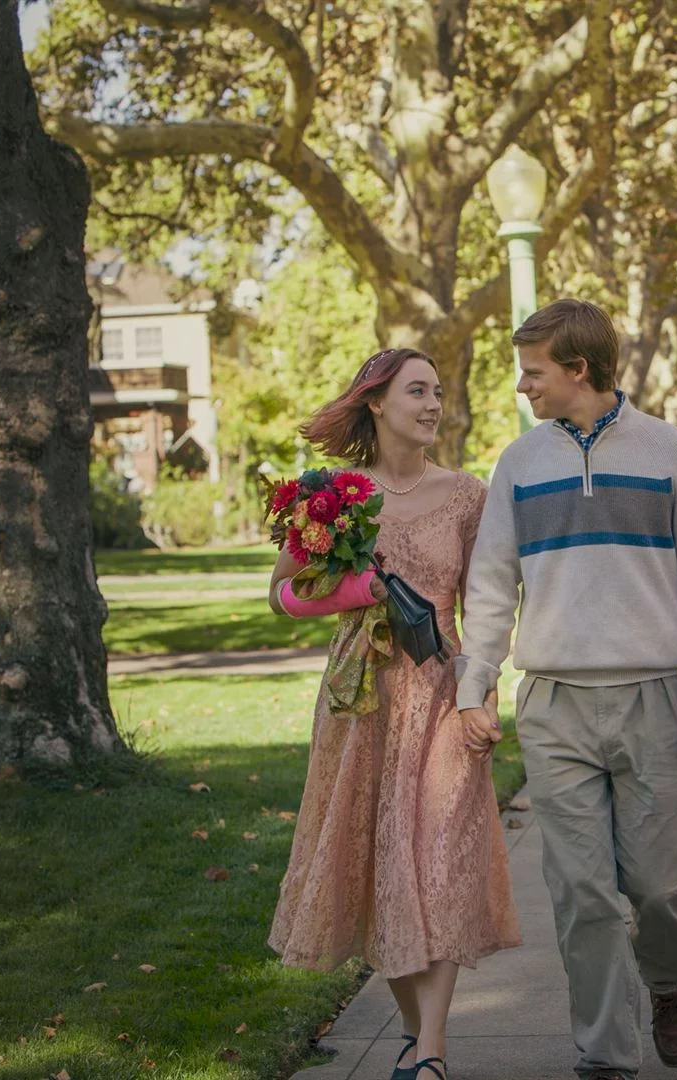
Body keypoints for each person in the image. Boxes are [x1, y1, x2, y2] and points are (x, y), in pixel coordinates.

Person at [456, 299, 677, 1079]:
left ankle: (671, 981)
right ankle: (604, 1057)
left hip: (656, 697)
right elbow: (489, 587)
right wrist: (473, 688)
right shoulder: (518, 464)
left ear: (578, 370)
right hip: (553, 703)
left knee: (658, 887)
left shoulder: (669, 451)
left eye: (533, 370)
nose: (523, 386)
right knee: (582, 894)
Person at [266, 348, 520, 1080]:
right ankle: (416, 1038)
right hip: (362, 699)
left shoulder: (469, 495)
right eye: (418, 391)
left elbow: (488, 608)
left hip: (442, 691)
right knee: (384, 869)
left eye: (438, 392)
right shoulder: (337, 498)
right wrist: (357, 595)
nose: (434, 403)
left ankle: (432, 1053)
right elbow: (280, 595)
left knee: (439, 862)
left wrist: (483, 696)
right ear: (376, 402)